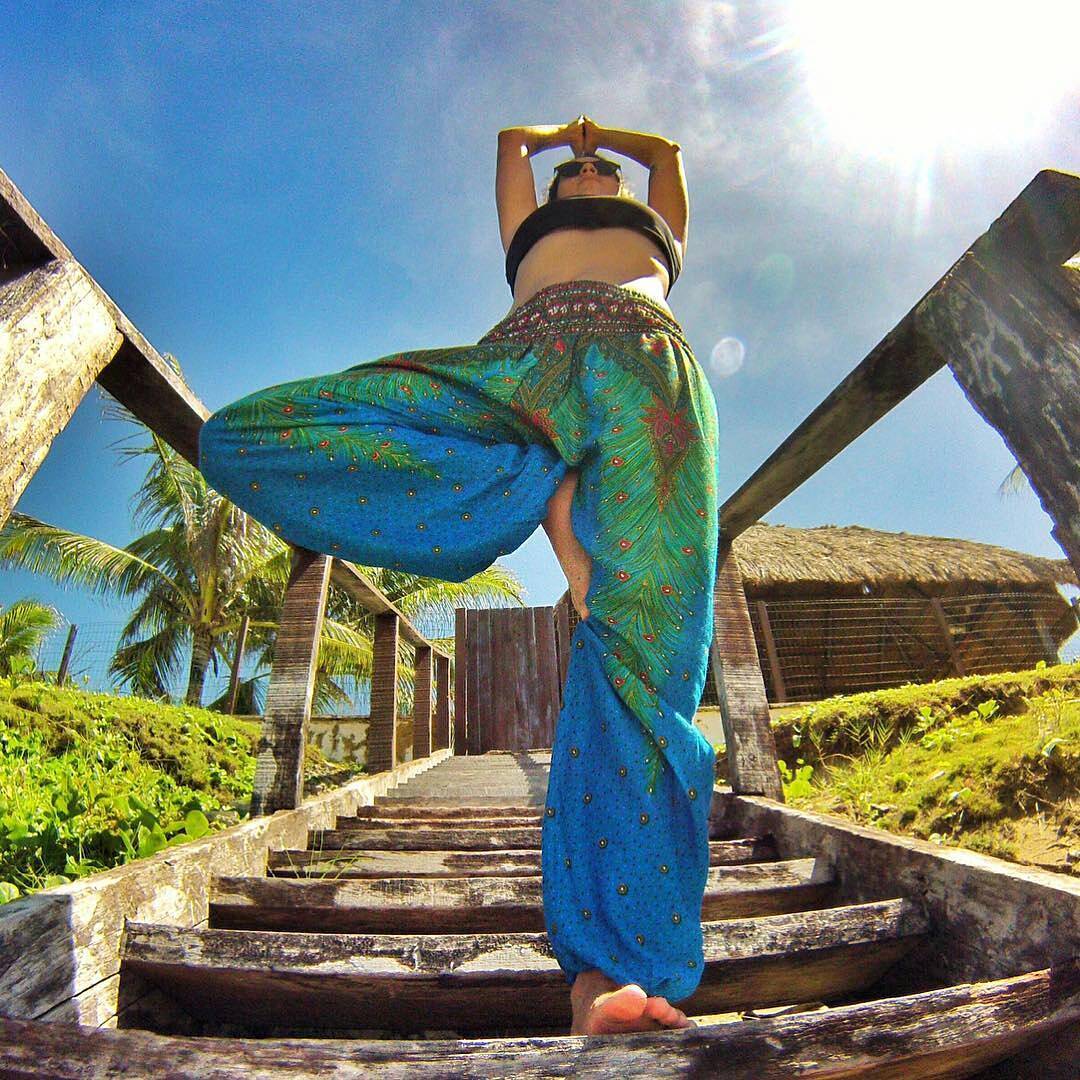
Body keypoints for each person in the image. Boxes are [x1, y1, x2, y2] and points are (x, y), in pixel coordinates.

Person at [197, 115, 719, 1036]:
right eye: (576, 173)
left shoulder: (657, 237)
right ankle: (524, 483)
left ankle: (608, 983)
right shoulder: (529, 231)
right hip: (519, 372)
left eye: (603, 170)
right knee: (242, 435)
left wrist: (613, 146)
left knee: (649, 673)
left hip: (657, 394)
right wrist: (565, 134)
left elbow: (668, 159)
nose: (590, 171)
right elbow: (514, 144)